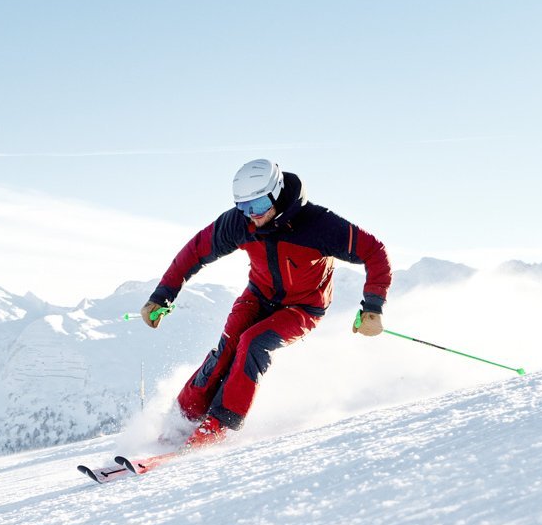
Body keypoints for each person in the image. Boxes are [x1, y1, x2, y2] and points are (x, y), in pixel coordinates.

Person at [139, 158, 392, 448]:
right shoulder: (240, 223)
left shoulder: (318, 225)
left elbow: (375, 252)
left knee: (253, 343)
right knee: (228, 346)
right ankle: (181, 420)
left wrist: (373, 307)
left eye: (258, 205)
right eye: (243, 207)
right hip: (258, 297)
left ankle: (219, 427)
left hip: (303, 308)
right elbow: (195, 252)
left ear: (277, 192)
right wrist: (161, 296)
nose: (252, 215)